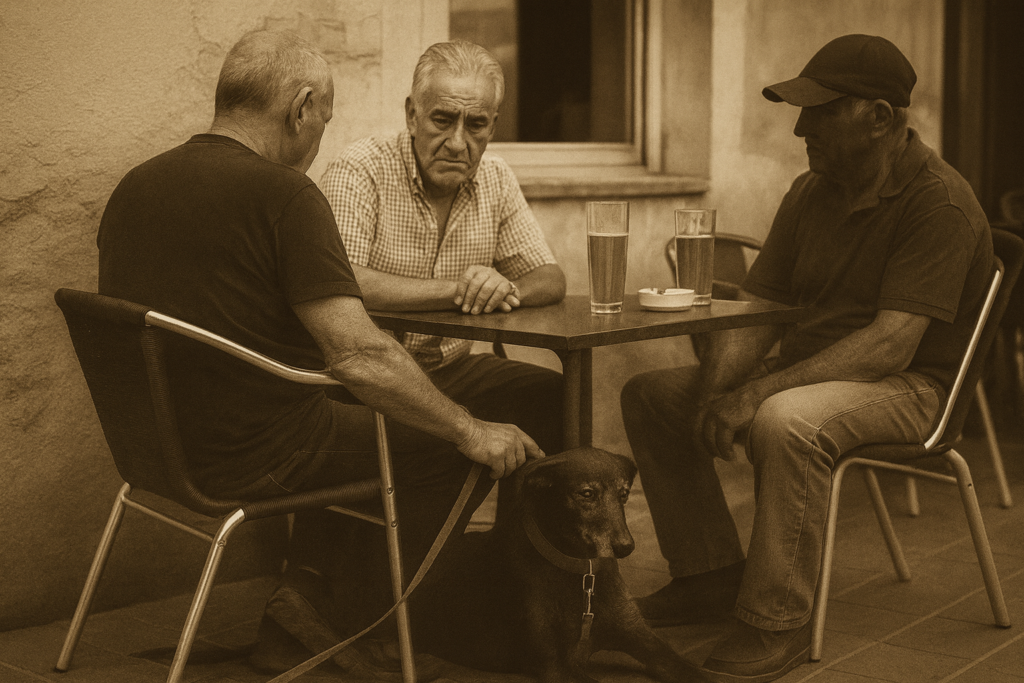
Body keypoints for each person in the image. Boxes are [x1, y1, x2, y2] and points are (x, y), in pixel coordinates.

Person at [96, 29, 542, 674]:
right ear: (302, 107)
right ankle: (343, 621)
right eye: (323, 119)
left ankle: (316, 599)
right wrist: (470, 429)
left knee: (410, 418)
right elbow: (358, 356)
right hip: (259, 450)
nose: (319, 136)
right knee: (448, 444)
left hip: (153, 449)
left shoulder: (135, 185)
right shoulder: (283, 195)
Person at [620, 34, 994, 682]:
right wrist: (718, 389)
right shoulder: (810, 189)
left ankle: (775, 620)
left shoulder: (940, 201)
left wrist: (755, 395)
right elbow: (759, 303)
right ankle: (708, 572)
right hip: (813, 371)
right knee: (653, 396)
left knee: (785, 419)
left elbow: (891, 342)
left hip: (913, 386)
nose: (800, 127)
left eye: (821, 111)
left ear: (880, 117)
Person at [319, 41, 567, 473]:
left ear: (493, 125)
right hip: (367, 377)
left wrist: (506, 287)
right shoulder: (362, 167)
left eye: (476, 125)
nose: (457, 142)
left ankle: (517, 541)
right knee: (436, 441)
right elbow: (345, 282)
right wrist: (460, 291)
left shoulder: (495, 176)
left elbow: (550, 278)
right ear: (412, 114)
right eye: (442, 119)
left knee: (553, 395)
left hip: (451, 369)